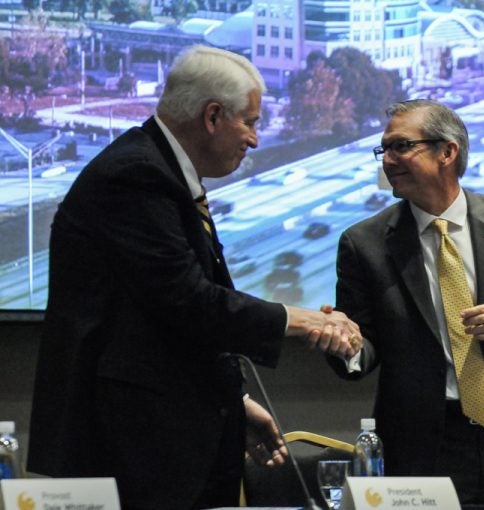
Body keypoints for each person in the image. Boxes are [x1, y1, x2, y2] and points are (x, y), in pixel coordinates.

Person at [27, 45, 361, 510]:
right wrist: (303, 322)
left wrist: (232, 399)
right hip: (134, 452)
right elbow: (186, 299)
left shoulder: (160, 168)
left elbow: (162, 324)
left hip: (169, 439)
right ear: (212, 116)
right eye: (251, 122)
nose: (255, 140)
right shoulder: (136, 174)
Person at [327, 99, 484, 503]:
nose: (388, 160)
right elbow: (363, 347)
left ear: (447, 151)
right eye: (384, 149)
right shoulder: (365, 244)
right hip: (420, 444)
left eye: (401, 146)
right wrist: (348, 346)